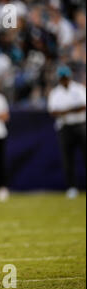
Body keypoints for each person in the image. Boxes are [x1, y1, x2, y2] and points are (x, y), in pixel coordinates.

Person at [47, 66, 86, 199]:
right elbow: (53, 111)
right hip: (65, 128)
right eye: (62, 78)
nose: (64, 80)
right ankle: (71, 187)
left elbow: (83, 106)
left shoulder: (79, 89)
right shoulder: (55, 93)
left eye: (66, 77)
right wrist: (72, 109)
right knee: (68, 159)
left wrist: (64, 111)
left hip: (81, 125)